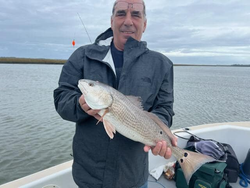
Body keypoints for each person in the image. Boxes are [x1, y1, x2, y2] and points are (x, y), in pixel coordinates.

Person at [54, 0, 177, 187]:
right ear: (111, 21)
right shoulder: (82, 56)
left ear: (144, 23)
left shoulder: (162, 65)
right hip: (88, 176)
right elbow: (61, 98)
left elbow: (164, 109)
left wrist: (158, 132)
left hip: (133, 176)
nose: (128, 21)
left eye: (135, 15)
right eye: (121, 14)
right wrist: (79, 104)